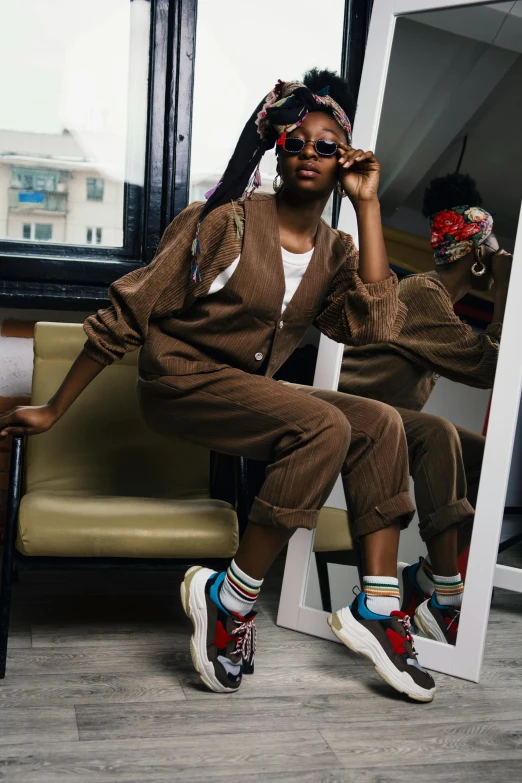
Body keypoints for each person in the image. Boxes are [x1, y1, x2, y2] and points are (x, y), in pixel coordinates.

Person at [0, 70, 435, 702]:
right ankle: (230, 601)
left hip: (242, 390)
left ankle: (379, 606)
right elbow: (130, 310)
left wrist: (369, 206)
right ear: (277, 151)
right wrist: (53, 410)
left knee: (379, 421)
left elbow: (374, 323)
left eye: (325, 146)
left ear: (343, 161)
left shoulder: (338, 252)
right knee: (326, 425)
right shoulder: (226, 223)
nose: (308, 153)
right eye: (296, 141)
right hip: (178, 382)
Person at [339, 172, 511, 644]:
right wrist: (503, 292)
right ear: (477, 256)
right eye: (493, 250)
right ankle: (445, 597)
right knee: (439, 433)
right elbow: (486, 368)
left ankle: (423, 581)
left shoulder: (436, 302)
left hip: (389, 417)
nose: (499, 260)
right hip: (355, 410)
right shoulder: (424, 294)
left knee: (485, 459)